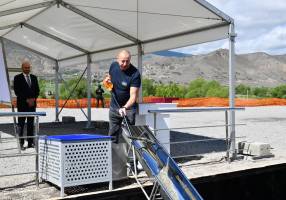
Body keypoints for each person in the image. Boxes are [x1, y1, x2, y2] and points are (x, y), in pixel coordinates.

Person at [104, 50, 141, 144]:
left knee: (130, 135)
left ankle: (131, 156)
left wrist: (125, 107)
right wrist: (106, 82)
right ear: (117, 59)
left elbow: (133, 96)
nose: (125, 64)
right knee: (112, 134)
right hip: (114, 107)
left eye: (127, 61)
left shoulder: (135, 74)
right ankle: (113, 155)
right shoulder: (113, 66)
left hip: (128, 110)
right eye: (122, 61)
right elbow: (109, 79)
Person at [13, 60, 39, 150]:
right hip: (22, 106)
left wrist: (33, 99)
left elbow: (37, 90)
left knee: (31, 125)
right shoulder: (17, 78)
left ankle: (30, 143)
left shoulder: (34, 77)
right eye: (26, 67)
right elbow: (17, 92)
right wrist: (26, 99)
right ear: (22, 68)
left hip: (32, 105)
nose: (27, 69)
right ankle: (21, 143)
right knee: (21, 125)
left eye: (28, 68)